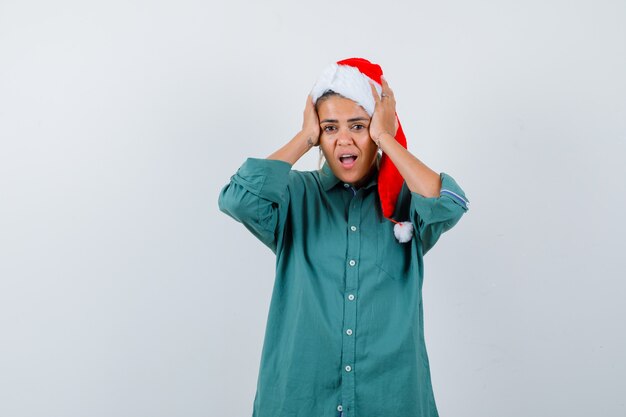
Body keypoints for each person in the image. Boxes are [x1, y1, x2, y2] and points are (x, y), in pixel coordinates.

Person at [218, 58, 470, 417]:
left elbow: (449, 205)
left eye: (358, 125)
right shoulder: (294, 194)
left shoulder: (406, 201)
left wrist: (387, 137)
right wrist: (305, 137)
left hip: (390, 401)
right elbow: (237, 199)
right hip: (298, 401)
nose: (344, 139)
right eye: (330, 128)